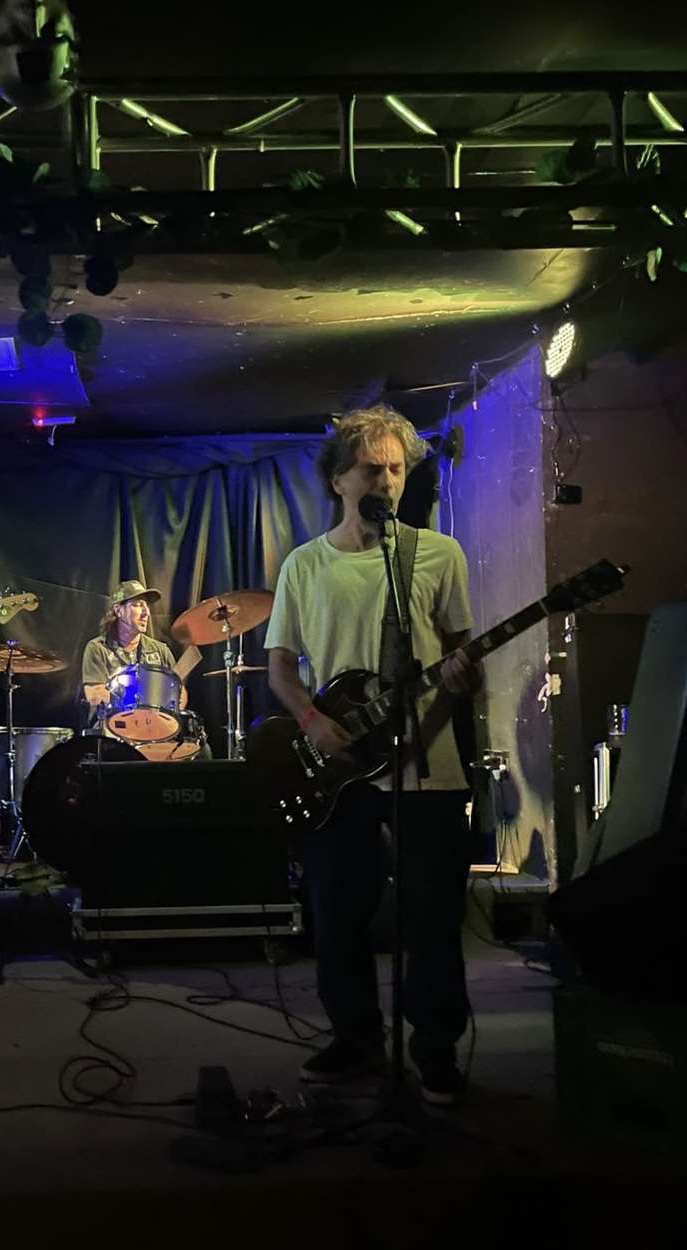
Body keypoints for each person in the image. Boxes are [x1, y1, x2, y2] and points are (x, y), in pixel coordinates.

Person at [264, 405, 481, 1106]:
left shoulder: (438, 554)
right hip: (341, 771)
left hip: (428, 765)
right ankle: (356, 1036)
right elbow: (280, 667)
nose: (386, 481)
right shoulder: (305, 565)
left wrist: (463, 676)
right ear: (338, 479)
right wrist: (310, 721)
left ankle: (435, 1048)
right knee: (337, 911)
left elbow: (461, 654)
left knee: (433, 916)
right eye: (370, 469)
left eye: (396, 469)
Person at [80, 579, 190, 737]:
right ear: (119, 611)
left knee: (202, 747)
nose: (146, 612)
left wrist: (168, 715)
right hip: (113, 728)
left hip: (156, 728)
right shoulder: (98, 648)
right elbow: (95, 695)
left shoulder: (160, 650)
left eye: (146, 606)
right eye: (138, 605)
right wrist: (140, 705)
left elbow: (180, 693)